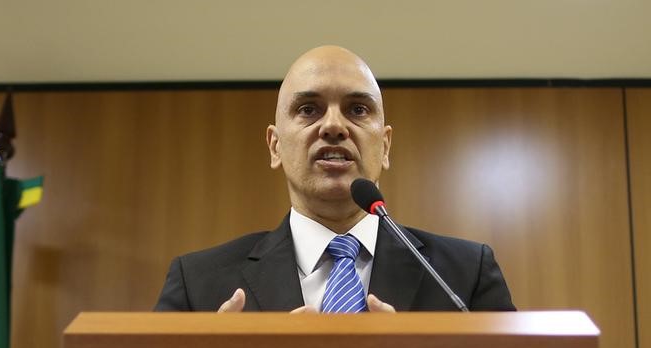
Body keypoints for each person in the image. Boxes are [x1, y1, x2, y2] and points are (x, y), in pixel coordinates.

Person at [155, 45, 514, 313]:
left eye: (357, 110)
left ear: (385, 146)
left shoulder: (465, 276)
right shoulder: (198, 283)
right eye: (308, 109)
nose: (333, 126)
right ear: (275, 146)